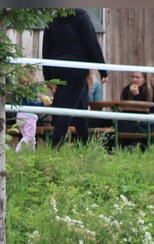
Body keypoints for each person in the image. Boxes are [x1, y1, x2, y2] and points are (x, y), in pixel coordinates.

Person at [41, 9, 108, 147]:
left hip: (57, 67)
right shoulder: (81, 16)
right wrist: (103, 70)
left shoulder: (53, 18)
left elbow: (46, 49)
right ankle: (56, 146)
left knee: (79, 106)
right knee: (66, 110)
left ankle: (85, 143)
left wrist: (48, 76)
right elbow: (91, 42)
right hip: (76, 68)